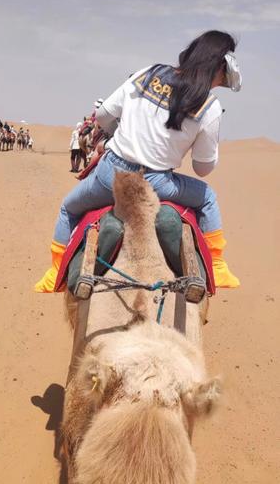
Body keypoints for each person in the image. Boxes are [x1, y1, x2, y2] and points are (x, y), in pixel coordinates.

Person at [35, 30, 242, 293]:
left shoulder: (146, 73)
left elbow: (103, 115)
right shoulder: (210, 107)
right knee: (208, 197)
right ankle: (218, 268)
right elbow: (203, 169)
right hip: (157, 183)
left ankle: (55, 274)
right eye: (223, 78)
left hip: (110, 175)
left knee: (68, 209)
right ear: (218, 69)